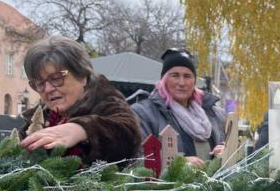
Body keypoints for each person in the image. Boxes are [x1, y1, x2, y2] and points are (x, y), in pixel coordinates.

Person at [19, 36, 141, 164]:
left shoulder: (106, 101)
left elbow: (129, 133)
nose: (48, 89)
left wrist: (81, 129)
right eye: (39, 83)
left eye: (56, 78)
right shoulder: (37, 119)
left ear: (82, 75)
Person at [131, 49, 226, 167]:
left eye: (187, 76)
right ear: (164, 80)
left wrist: (223, 150)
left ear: (194, 81)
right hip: (170, 185)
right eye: (175, 75)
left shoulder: (213, 113)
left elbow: (227, 143)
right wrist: (178, 163)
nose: (182, 83)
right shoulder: (143, 114)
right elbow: (138, 158)